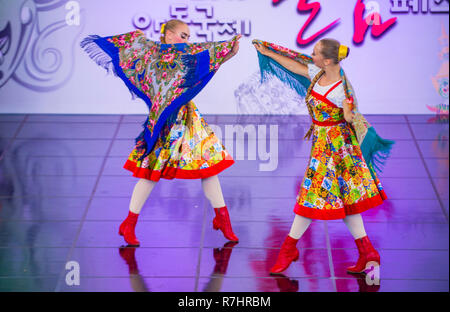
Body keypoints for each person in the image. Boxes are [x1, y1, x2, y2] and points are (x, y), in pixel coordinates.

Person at [81, 19, 241, 246]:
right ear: (167, 35)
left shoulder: (186, 54)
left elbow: (207, 55)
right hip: (165, 120)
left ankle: (223, 219)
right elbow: (132, 52)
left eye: (188, 36)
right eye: (182, 35)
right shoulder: (151, 55)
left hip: (188, 118)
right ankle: (129, 223)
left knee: (207, 167)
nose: (187, 40)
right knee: (150, 173)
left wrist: (230, 50)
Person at [253, 38, 394, 275]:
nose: (312, 56)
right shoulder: (318, 73)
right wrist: (268, 53)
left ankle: (289, 248)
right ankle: (368, 252)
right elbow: (294, 65)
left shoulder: (341, 89)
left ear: (328, 60)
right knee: (346, 203)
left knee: (309, 197)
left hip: (337, 149)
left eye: (316, 53)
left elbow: (350, 117)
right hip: (323, 146)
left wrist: (349, 113)